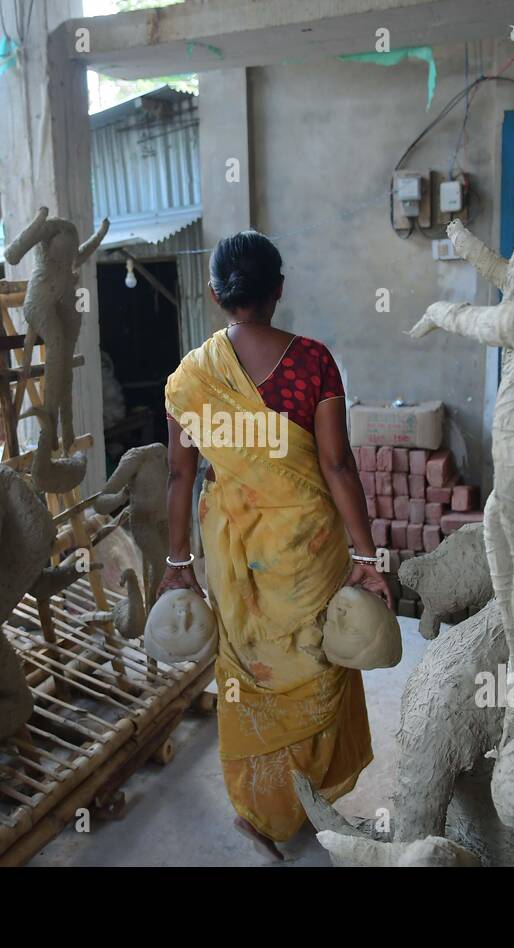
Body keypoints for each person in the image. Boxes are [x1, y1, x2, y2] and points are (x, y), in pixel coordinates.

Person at [159, 230, 392, 861]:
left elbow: (180, 476)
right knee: (318, 662)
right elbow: (338, 465)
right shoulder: (313, 362)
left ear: (215, 296)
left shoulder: (190, 379)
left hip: (232, 551)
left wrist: (178, 563)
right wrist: (368, 557)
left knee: (246, 669)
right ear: (279, 290)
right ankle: (307, 795)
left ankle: (264, 811)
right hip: (306, 545)